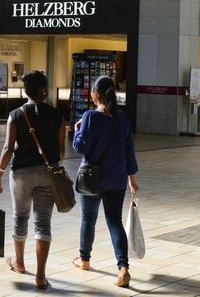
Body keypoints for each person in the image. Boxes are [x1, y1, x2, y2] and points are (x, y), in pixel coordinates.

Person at [0, 70, 65, 290]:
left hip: (21, 173)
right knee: (43, 222)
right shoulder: (57, 116)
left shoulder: (16, 115)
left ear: (26, 91)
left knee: (20, 216)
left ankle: (20, 263)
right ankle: (41, 276)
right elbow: (61, 151)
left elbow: (7, 148)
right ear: (45, 90)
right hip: (47, 172)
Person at [71, 75, 139, 288]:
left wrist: (76, 131)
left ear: (95, 95)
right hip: (117, 179)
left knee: (88, 219)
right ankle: (123, 268)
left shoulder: (90, 117)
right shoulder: (124, 119)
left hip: (92, 178)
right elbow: (129, 152)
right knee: (114, 221)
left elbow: (81, 147)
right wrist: (132, 179)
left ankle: (84, 259)